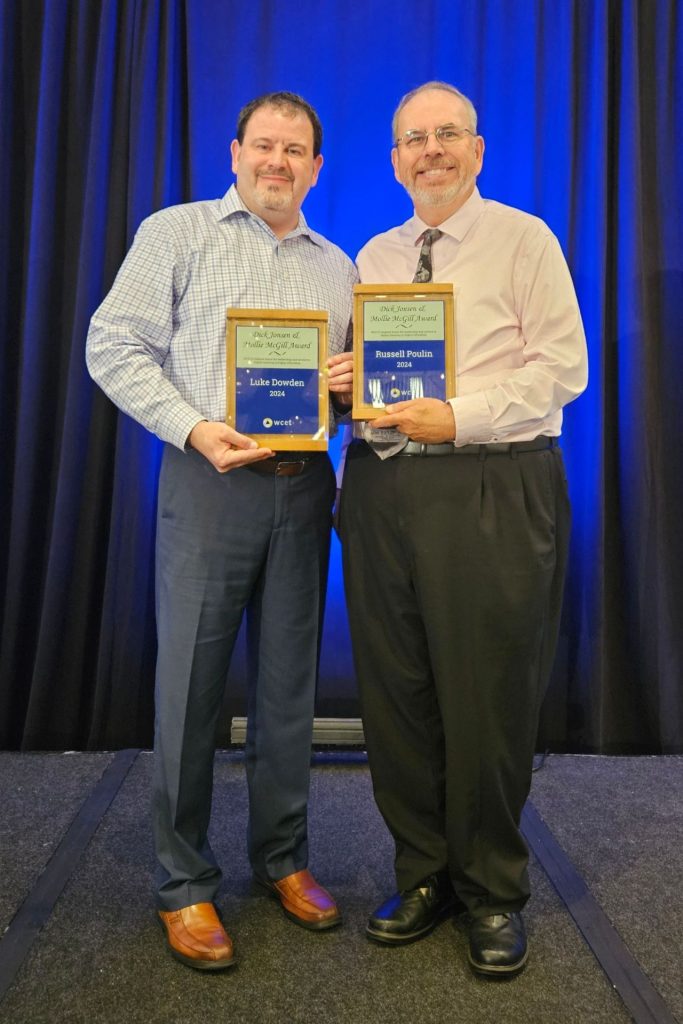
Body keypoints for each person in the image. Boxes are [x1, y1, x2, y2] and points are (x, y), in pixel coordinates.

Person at [87, 91, 357, 971]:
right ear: (235, 150)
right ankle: (183, 883)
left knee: (288, 693)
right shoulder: (177, 232)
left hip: (303, 486)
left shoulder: (339, 266)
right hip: (209, 482)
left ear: (316, 167)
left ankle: (282, 860)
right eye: (265, 145)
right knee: (191, 689)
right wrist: (194, 427)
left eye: (296, 151)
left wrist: (353, 390)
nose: (278, 162)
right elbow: (113, 344)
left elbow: (341, 397)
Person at [340, 81, 588, 977]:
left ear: (476, 151)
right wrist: (340, 385)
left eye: (447, 135)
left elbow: (565, 369)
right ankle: (423, 874)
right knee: (396, 694)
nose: (430, 150)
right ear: (395, 158)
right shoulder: (373, 253)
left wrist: (464, 414)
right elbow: (370, 383)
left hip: (491, 483)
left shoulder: (524, 239)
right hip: (379, 491)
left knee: (486, 697)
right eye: (413, 138)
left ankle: (491, 889)